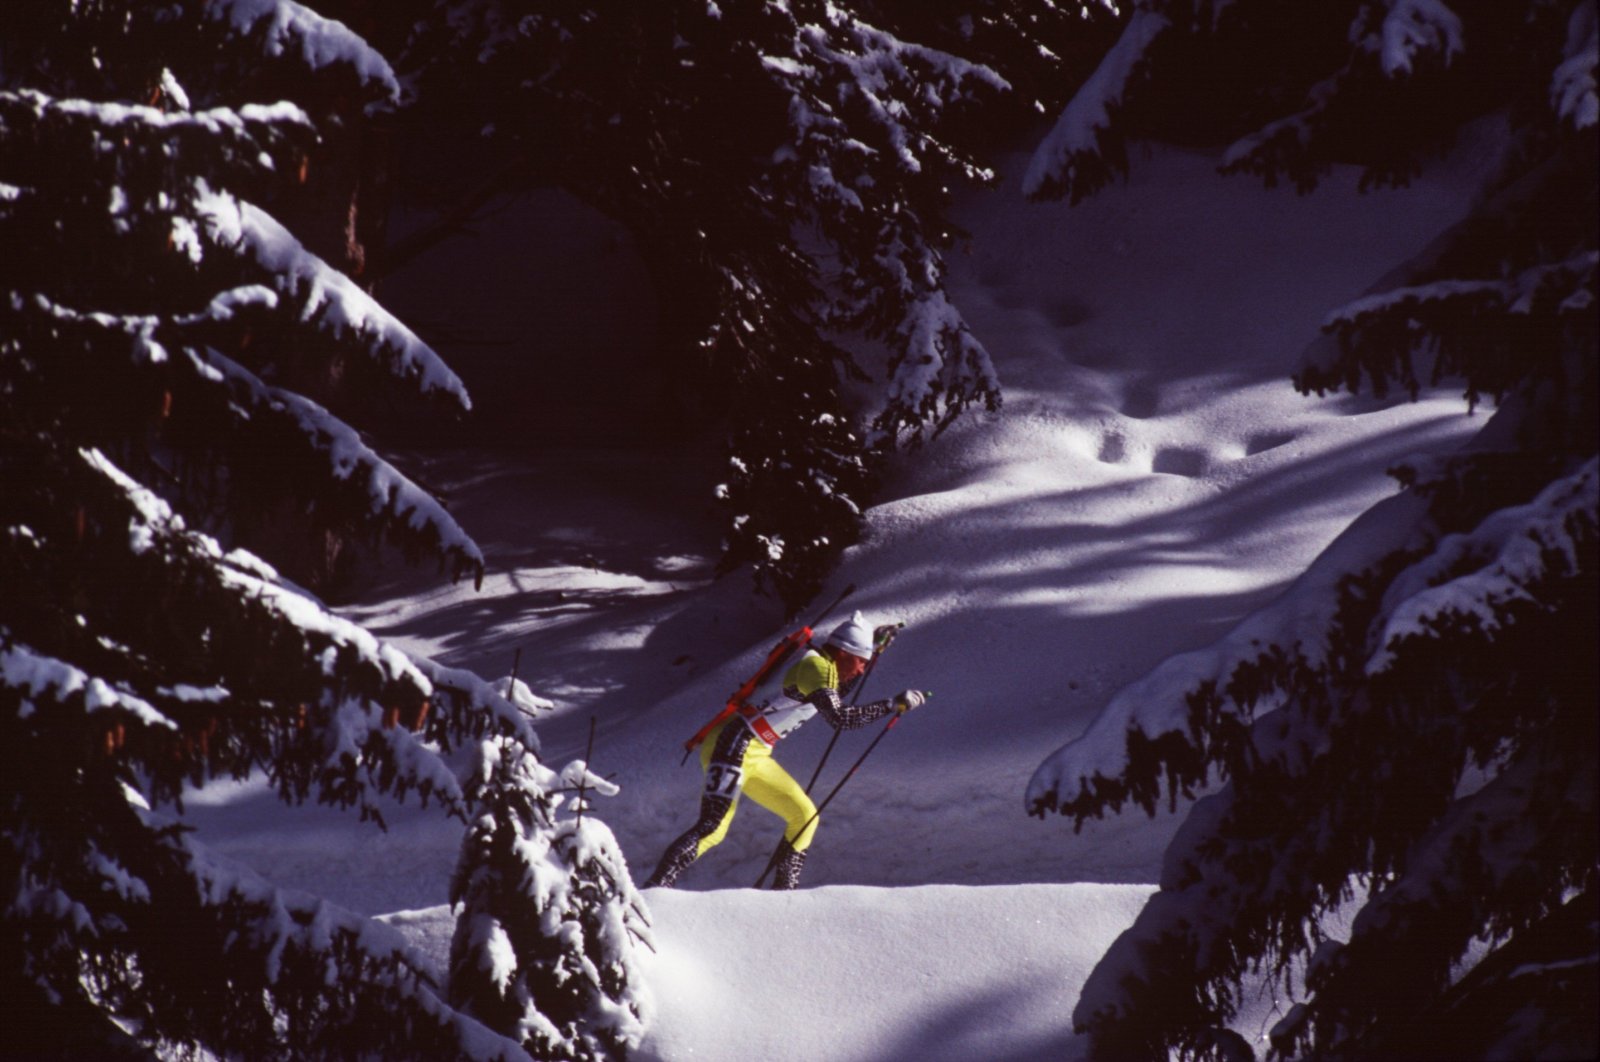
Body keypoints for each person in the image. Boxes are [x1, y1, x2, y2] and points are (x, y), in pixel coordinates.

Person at [645, 611, 926, 890]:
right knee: (713, 828)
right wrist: (890, 705)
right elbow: (842, 718)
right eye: (861, 662)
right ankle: (656, 888)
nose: (862, 669)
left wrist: (874, 651)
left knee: (804, 817)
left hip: (755, 751)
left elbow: (836, 696)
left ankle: (783, 895)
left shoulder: (826, 668)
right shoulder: (815, 668)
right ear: (843, 653)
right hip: (732, 744)